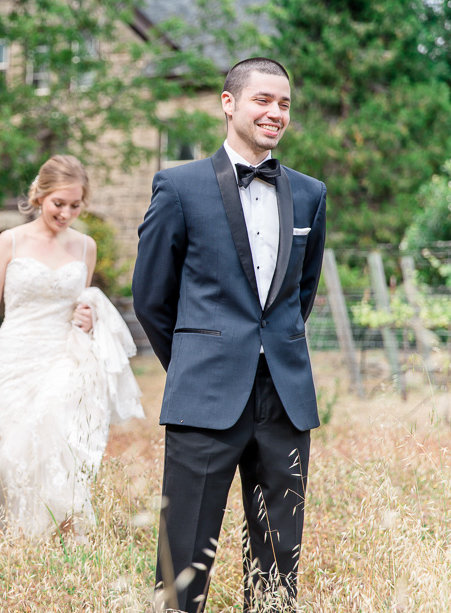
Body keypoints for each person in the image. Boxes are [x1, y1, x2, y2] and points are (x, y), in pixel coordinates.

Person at [132, 58, 326, 612]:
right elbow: (150, 297)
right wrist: (197, 359)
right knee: (184, 554)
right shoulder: (178, 186)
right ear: (228, 103)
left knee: (278, 557)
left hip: (285, 397)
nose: (275, 113)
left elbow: (299, 295)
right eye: (263, 100)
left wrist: (272, 350)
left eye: (284, 103)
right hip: (205, 393)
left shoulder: (310, 194)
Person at [0, 154, 143, 538]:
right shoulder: (10, 242)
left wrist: (88, 318)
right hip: (14, 360)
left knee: (60, 446)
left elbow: (82, 305)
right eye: (58, 203)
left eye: (75, 205)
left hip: (65, 360)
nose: (66, 212)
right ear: (40, 196)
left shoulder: (86, 247)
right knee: (18, 453)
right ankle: (23, 538)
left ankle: (66, 533)